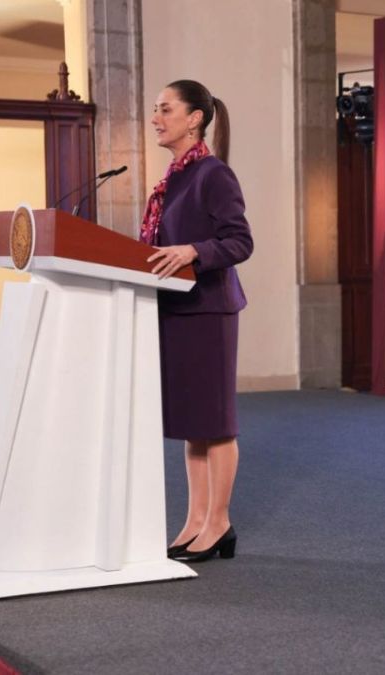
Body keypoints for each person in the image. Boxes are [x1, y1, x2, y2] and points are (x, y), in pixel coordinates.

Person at [142, 79, 253, 563]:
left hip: (208, 309)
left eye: (166, 109)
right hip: (176, 309)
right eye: (155, 110)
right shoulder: (173, 177)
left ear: (194, 119)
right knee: (194, 426)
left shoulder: (213, 174)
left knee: (216, 424)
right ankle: (195, 521)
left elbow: (240, 241)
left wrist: (193, 251)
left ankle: (220, 522)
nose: (156, 118)